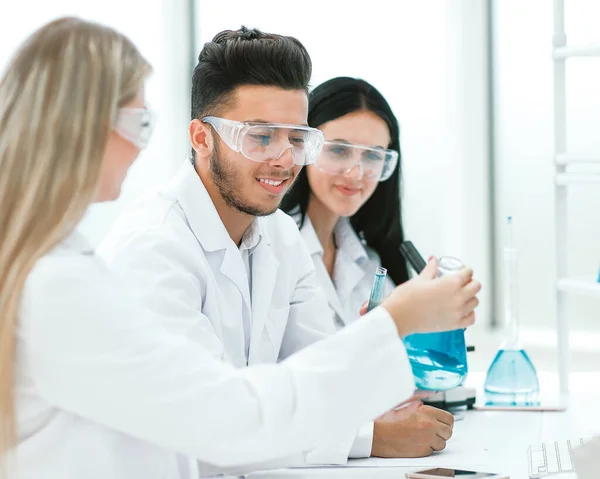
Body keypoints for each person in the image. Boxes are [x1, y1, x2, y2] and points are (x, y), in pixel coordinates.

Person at [0, 18, 479, 479]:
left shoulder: (276, 236)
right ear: (201, 138)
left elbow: (316, 377)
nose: (283, 158)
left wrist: (389, 346)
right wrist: (397, 320)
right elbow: (225, 425)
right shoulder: (139, 253)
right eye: (260, 136)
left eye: (297, 138)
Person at [281, 76, 459, 458]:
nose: (357, 173)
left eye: (373, 155)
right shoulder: (274, 248)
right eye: (340, 150)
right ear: (305, 147)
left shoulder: (370, 262)